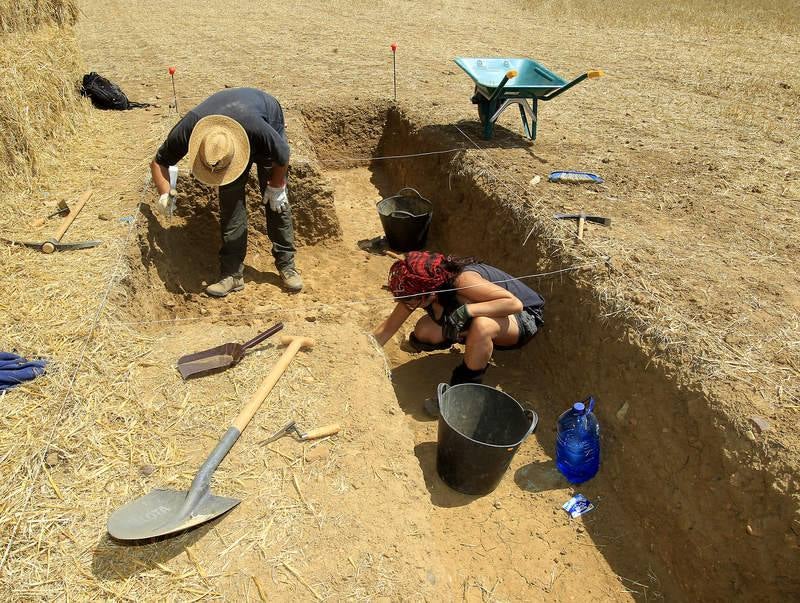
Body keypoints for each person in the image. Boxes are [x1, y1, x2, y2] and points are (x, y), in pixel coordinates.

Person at [150, 87, 302, 296]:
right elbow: (159, 163)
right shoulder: (192, 127)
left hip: (263, 116)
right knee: (231, 204)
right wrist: (165, 194)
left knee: (276, 201)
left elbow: (283, 155)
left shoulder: (260, 130)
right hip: (233, 135)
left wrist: (277, 186)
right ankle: (232, 274)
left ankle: (287, 265)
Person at [373, 251, 544, 415]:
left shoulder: (462, 280)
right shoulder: (420, 286)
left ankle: (461, 393)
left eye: (410, 301)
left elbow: (514, 304)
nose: (407, 305)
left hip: (522, 316)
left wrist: (467, 311)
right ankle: (472, 340)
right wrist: (362, 351)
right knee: (425, 331)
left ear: (430, 294)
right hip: (489, 312)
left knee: (482, 326)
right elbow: (387, 329)